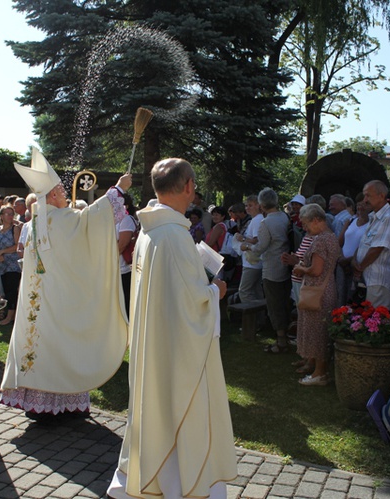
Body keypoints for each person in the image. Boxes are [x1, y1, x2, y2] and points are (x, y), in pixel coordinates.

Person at [107, 158, 236, 499]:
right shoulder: (175, 236)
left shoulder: (151, 230)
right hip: (178, 351)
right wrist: (216, 291)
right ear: (189, 186)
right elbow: (192, 303)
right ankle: (180, 486)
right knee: (181, 412)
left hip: (155, 342)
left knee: (158, 409)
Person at [0, 149, 131, 423]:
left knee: (47, 345)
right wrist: (118, 190)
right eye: (60, 189)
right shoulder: (58, 219)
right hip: (57, 299)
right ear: (51, 196)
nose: (64, 193)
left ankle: (47, 405)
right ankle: (60, 406)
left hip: (46, 298)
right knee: (60, 346)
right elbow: (91, 222)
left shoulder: (38, 219)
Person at [293, 204, 341, 386]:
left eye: (306, 224)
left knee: (317, 332)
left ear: (316, 220)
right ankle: (316, 367)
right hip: (327, 288)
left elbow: (316, 269)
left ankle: (319, 374)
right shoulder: (331, 237)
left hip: (317, 291)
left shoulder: (321, 240)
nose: (304, 228)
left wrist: (300, 268)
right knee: (319, 330)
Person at [241, 189, 291, 354]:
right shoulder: (284, 217)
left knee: (274, 303)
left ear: (261, 205)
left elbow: (260, 248)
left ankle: (281, 340)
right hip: (284, 265)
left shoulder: (266, 222)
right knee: (282, 302)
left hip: (272, 267)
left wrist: (246, 246)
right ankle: (282, 337)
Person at [353, 180, 390, 309]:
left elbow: (377, 248)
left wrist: (360, 267)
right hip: (368, 279)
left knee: (376, 322)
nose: (364, 200)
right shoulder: (374, 217)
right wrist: (355, 261)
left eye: (368, 195)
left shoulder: (389, 218)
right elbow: (364, 244)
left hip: (378, 280)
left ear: (381, 196)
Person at [336, 195, 370, 305]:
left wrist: (349, 260)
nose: (360, 208)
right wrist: (341, 259)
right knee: (340, 296)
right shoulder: (351, 221)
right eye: (358, 205)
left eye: (363, 205)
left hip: (357, 266)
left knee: (354, 298)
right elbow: (339, 242)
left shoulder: (372, 224)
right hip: (342, 265)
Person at [0, 204, 22, 325]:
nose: (10, 216)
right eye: (7, 214)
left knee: (12, 290)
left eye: (11, 214)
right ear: (1, 216)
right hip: (2, 264)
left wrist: (2, 251)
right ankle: (9, 314)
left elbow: (17, 246)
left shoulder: (15, 229)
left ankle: (10, 317)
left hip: (13, 265)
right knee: (5, 289)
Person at [117, 192, 138, 317]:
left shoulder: (126, 219)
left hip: (123, 270)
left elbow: (121, 245)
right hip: (112, 269)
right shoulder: (112, 220)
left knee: (124, 308)